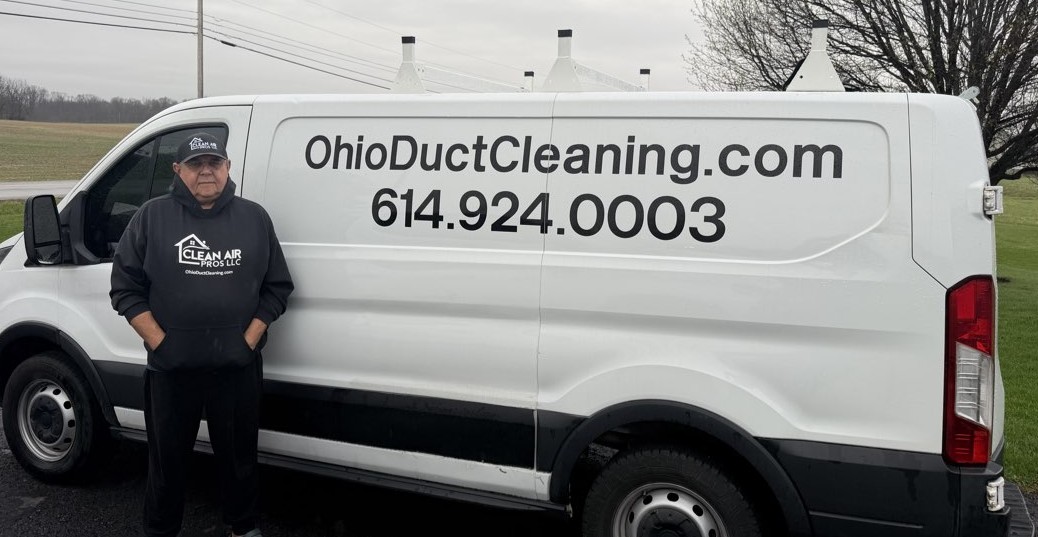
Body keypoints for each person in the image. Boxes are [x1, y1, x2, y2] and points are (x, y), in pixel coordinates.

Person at [110, 132, 294, 537]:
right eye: (196, 164)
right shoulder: (152, 217)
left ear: (229, 168)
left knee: (239, 459)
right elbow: (124, 288)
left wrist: (247, 340)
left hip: (236, 368)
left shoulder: (254, 218)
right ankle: (161, 530)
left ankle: (243, 527)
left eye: (215, 162)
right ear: (178, 170)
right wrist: (163, 343)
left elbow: (277, 288)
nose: (206, 170)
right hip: (172, 371)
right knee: (166, 463)